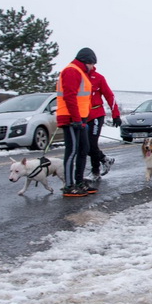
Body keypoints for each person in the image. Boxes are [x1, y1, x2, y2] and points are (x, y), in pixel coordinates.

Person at [56, 47, 99, 197]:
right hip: (71, 119)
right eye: (92, 64)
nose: (93, 67)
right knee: (72, 150)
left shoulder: (81, 72)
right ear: (86, 61)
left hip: (80, 118)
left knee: (83, 149)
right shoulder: (71, 71)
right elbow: (69, 96)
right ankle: (69, 185)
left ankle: (79, 181)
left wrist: (82, 119)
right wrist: (75, 119)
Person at [87, 65, 121, 181]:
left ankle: (95, 172)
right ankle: (105, 159)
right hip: (83, 117)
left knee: (92, 144)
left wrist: (115, 114)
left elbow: (109, 96)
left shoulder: (98, 78)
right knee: (84, 146)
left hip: (96, 115)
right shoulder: (79, 78)